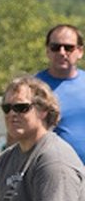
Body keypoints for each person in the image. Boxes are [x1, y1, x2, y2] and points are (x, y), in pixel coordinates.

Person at [35, 24, 85, 163]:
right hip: (50, 170)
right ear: (48, 51)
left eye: (69, 47)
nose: (62, 52)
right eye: (55, 47)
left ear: (80, 51)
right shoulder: (33, 88)